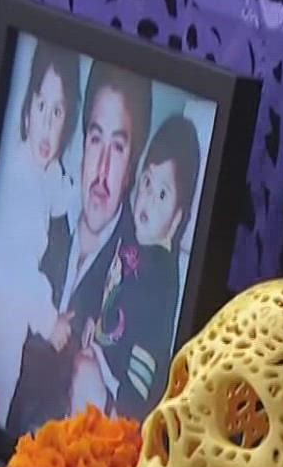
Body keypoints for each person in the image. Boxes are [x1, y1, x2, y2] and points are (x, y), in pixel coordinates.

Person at [0, 60, 153, 438]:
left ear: (132, 165)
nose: (101, 168)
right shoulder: (42, 207)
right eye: (95, 138)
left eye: (117, 148)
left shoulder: (139, 278)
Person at [0, 40, 80, 422]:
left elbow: (60, 194)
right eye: (42, 106)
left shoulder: (44, 170)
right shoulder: (19, 175)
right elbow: (18, 269)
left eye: (58, 111)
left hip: (10, 319)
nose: (48, 122)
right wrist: (50, 322)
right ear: (27, 111)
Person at [70, 115, 200, 420]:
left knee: (83, 376)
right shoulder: (129, 228)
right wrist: (88, 316)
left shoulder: (162, 277)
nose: (148, 201)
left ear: (178, 217)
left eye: (163, 195)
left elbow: (148, 361)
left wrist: (121, 410)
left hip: (122, 393)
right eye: (147, 182)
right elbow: (100, 274)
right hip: (99, 356)